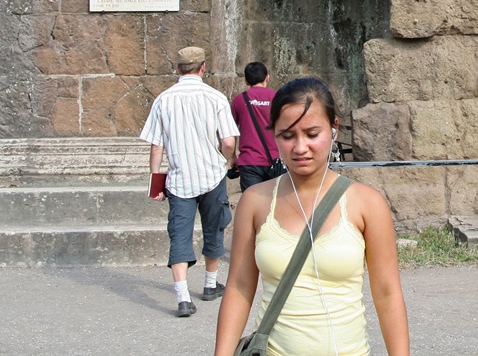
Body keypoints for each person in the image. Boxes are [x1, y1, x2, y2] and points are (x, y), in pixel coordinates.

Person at [215, 77, 409, 356]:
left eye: (312, 134)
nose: (300, 147)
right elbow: (239, 287)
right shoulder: (255, 202)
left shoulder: (367, 203)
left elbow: (388, 292)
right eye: (288, 135)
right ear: (274, 136)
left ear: (334, 130)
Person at [140, 46, 240, 318]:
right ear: (203, 67)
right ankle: (209, 284)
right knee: (215, 227)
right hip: (211, 175)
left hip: (179, 180)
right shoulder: (216, 98)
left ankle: (183, 298)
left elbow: (156, 146)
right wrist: (226, 160)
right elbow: (229, 141)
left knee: (179, 234)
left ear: (177, 68)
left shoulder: (163, 100)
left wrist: (156, 182)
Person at [230, 61, 285, 191]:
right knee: (278, 205)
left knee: (252, 205)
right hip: (276, 160)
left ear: (246, 81)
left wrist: (232, 157)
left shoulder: (239, 100)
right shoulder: (278, 98)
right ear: (267, 77)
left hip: (249, 161)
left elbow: (231, 131)